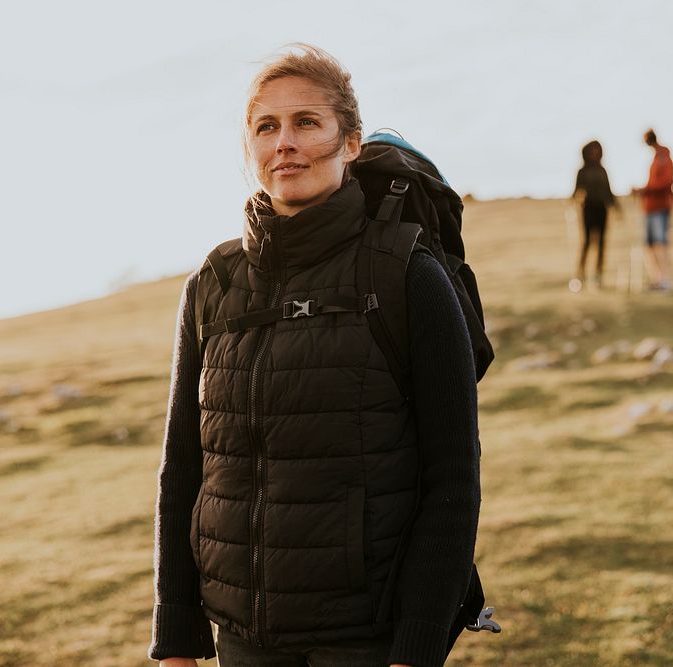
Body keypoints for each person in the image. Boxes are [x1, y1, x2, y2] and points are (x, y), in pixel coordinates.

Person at [148, 44, 481, 667]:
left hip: (367, 639)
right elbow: (182, 469)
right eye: (266, 127)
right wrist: (175, 640)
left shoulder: (406, 272)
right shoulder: (213, 282)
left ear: (350, 141)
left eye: (308, 122)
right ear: (249, 147)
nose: (285, 143)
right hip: (241, 639)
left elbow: (454, 480)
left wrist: (418, 647)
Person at [571, 140, 620, 291]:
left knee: (601, 244)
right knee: (586, 243)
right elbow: (577, 191)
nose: (594, 153)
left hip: (602, 209)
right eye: (592, 150)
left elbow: (609, 192)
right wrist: (574, 200)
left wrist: (617, 208)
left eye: (597, 150)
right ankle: (580, 276)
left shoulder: (602, 170)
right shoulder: (582, 171)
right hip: (588, 209)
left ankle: (598, 277)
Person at [634, 129, 673, 291]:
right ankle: (656, 280)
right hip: (649, 207)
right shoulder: (655, 158)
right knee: (649, 245)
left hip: (660, 207)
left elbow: (665, 182)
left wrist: (645, 190)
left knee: (660, 244)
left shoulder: (663, 156)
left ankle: (665, 280)